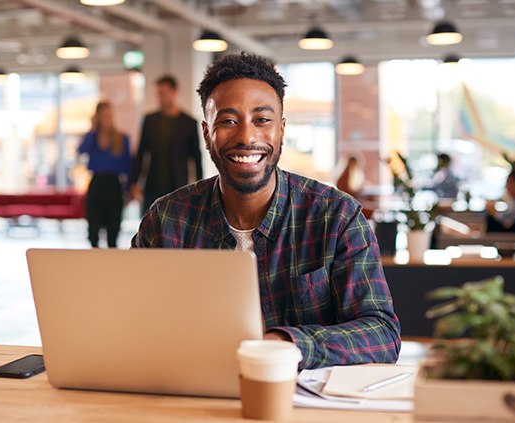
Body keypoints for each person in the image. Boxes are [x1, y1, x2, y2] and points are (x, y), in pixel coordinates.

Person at [131, 52, 400, 369]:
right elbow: (130, 319)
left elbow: (382, 334)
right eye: (229, 121)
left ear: (281, 129)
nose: (246, 137)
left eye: (262, 120)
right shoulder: (166, 221)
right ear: (206, 134)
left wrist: (285, 344)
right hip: (192, 399)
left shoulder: (337, 216)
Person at [131, 75, 204, 214]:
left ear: (174, 92)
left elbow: (196, 157)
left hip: (178, 184)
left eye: (163, 93)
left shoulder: (188, 123)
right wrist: (135, 182)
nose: (160, 98)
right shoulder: (150, 121)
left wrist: (201, 187)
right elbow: (141, 153)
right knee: (151, 225)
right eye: (158, 94)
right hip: (153, 184)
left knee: (177, 227)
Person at [78, 101, 131, 248]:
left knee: (113, 232)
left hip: (113, 186)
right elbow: (81, 150)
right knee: (93, 231)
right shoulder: (92, 138)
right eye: (102, 116)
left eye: (108, 115)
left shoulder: (122, 138)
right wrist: (92, 128)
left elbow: (128, 167)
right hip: (96, 184)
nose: (106, 119)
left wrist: (127, 191)